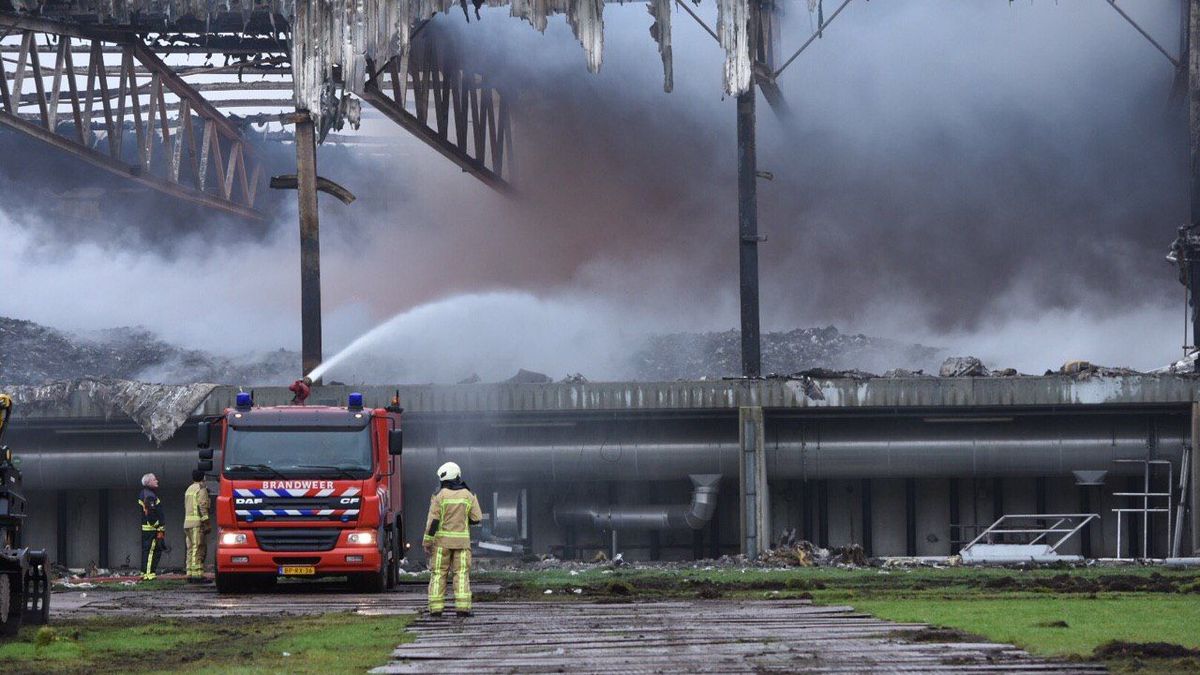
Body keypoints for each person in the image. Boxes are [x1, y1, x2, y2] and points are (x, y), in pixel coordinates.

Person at [423, 462, 482, 618]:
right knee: (461, 574)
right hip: (462, 545)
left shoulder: (439, 496)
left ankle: (435, 609)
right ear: (457, 475)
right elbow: (477, 518)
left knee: (438, 574)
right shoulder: (468, 495)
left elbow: (433, 522)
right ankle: (463, 608)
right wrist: (462, 520)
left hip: (441, 545)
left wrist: (427, 542)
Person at [183, 470, 211, 583]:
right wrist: (207, 523)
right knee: (197, 548)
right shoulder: (201, 489)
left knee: (190, 549)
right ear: (203, 478)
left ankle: (189, 573)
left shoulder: (189, 489)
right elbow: (202, 507)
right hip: (196, 524)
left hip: (187, 523)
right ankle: (197, 576)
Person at [138, 473, 166, 581]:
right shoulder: (149, 495)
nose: (157, 481)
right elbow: (150, 513)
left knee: (148, 551)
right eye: (154, 479)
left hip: (149, 529)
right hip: (151, 529)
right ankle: (148, 574)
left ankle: (144, 572)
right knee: (151, 551)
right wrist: (158, 526)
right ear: (148, 482)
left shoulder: (146, 493)